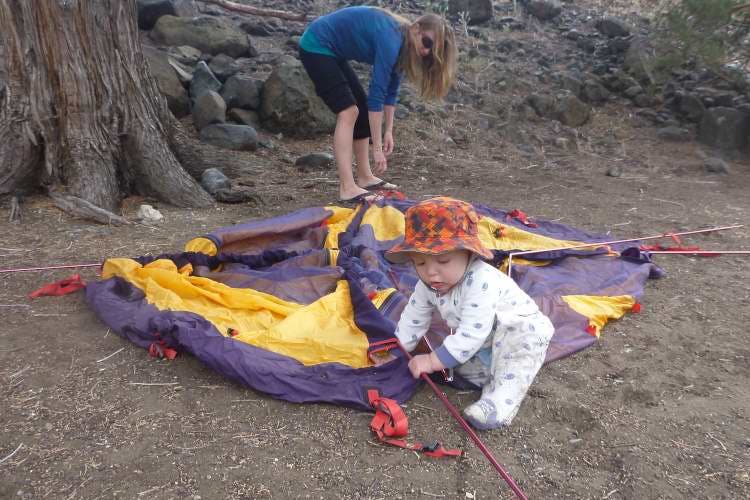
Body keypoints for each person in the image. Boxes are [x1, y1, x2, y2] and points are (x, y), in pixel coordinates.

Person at [385, 197, 555, 430]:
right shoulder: (427, 285)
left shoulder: (482, 281)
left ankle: (498, 405)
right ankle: (487, 376)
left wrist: (432, 360)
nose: (431, 272)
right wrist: (398, 349)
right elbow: (414, 317)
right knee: (460, 370)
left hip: (518, 332)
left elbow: (471, 334)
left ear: (468, 254)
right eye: (420, 263)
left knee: (513, 364)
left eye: (443, 260)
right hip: (485, 343)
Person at [299, 6, 457, 203]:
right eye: (427, 42)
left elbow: (391, 93)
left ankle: (365, 178)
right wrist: (377, 148)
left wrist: (388, 131)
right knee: (349, 112)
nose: (425, 51)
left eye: (431, 51)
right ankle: (347, 188)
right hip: (316, 45)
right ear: (416, 28)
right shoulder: (391, 38)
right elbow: (377, 93)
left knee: (362, 111)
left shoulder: (405, 46)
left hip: (332, 51)